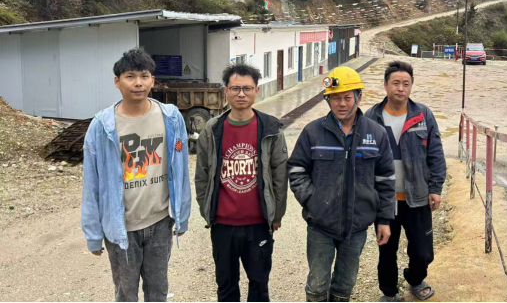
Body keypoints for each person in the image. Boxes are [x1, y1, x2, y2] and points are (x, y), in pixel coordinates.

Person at [81, 47, 191, 302]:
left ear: (153, 80)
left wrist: (182, 216)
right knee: (126, 294)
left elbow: (181, 171)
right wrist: (93, 234)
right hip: (122, 229)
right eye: (130, 76)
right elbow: (91, 183)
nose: (138, 83)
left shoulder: (171, 118)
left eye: (144, 76)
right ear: (117, 82)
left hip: (160, 222)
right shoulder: (102, 126)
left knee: (158, 291)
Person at [288, 66, 396, 302]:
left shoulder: (376, 134)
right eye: (335, 98)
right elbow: (296, 169)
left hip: (356, 227)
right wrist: (312, 200)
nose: (342, 104)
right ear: (328, 100)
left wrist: (384, 220)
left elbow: (386, 179)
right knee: (317, 285)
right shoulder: (313, 132)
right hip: (321, 226)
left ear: (359, 96)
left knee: (344, 286)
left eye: (347, 97)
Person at [194, 63, 288, 302]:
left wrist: (276, 214)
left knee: (259, 284)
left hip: (258, 223)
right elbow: (202, 174)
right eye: (235, 88)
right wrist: (207, 210)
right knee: (226, 286)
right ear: (226, 91)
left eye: (247, 88)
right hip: (223, 224)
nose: (241, 94)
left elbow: (279, 175)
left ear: (257, 90)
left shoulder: (270, 128)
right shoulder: (212, 129)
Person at [364, 60, 447, 302]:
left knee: (422, 251)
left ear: (411, 86)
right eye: (395, 83)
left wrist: (435, 188)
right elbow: (363, 160)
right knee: (386, 250)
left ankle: (415, 279)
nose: (400, 88)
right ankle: (389, 292)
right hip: (385, 201)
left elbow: (435, 153)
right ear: (385, 85)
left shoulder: (423, 115)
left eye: (406, 83)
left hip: (417, 197)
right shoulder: (371, 117)